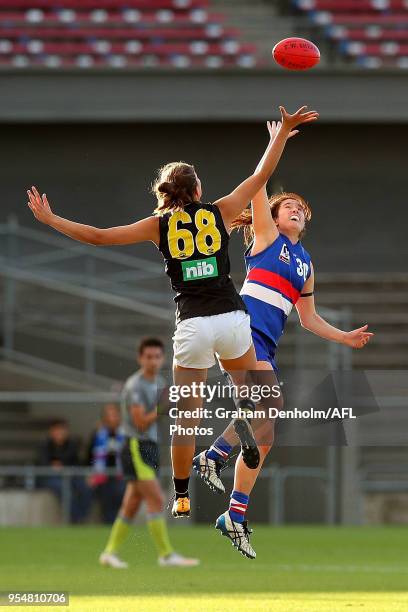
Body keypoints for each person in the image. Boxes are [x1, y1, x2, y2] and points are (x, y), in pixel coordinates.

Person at [26, 104, 319, 520]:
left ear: (165, 193)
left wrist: (51, 218)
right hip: (234, 322)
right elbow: (260, 179)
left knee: (186, 418)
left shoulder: (158, 224)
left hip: (194, 326)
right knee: (264, 400)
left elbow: (98, 237)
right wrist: (280, 135)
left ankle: (181, 494)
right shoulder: (220, 211)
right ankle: (232, 438)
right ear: (198, 191)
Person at [195, 120, 374, 558]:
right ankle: (212, 456)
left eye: (300, 208)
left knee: (267, 431)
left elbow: (309, 319)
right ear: (272, 217)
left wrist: (344, 338)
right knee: (269, 408)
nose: (295, 209)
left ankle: (233, 514)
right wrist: (275, 143)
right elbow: (258, 185)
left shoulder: (306, 264)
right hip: (239, 329)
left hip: (263, 346)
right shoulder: (266, 238)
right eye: (287, 205)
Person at [99, 337, 198, 568]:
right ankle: (166, 555)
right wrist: (163, 407)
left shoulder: (160, 381)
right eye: (148, 357)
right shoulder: (134, 385)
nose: (153, 361)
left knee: (132, 504)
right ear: (140, 358)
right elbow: (141, 423)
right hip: (136, 446)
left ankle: (109, 553)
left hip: (149, 447)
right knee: (156, 498)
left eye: (157, 356)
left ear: (162, 358)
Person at [37, 419, 92, 523]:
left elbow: (77, 463)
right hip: (50, 477)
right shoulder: (44, 445)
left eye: (62, 430)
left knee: (86, 488)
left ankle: (81, 516)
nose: (60, 433)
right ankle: (76, 519)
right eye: (57, 430)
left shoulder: (72, 445)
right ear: (51, 431)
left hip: (70, 475)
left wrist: (62, 466)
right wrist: (53, 466)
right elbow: (43, 463)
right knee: (64, 488)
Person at [87, 404, 126, 524]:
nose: (112, 419)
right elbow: (89, 456)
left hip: (121, 474)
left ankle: (120, 524)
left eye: (114, 415)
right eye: (109, 415)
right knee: (105, 498)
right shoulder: (98, 435)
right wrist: (91, 474)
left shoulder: (125, 434)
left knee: (120, 494)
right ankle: (108, 524)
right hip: (102, 475)